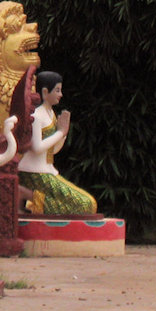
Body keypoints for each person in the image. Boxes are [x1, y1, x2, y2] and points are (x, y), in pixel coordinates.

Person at [16, 71, 97, 215]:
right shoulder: (36, 115)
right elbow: (37, 147)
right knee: (86, 204)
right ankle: (26, 194)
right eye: (57, 90)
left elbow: (52, 151)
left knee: (89, 204)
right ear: (45, 92)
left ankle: (31, 199)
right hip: (33, 173)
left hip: (47, 169)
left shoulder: (51, 114)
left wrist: (63, 135)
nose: (61, 94)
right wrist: (60, 132)